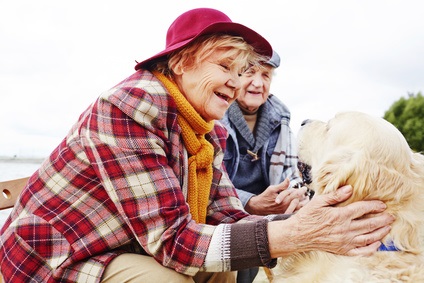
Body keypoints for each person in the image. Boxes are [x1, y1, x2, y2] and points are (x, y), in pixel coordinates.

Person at [0, 7, 394, 283]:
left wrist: (310, 226)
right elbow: (173, 243)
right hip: (56, 259)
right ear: (182, 61)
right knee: (164, 279)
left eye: (242, 72)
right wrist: (296, 235)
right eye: (225, 68)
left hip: (125, 245)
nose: (239, 84)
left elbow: (224, 218)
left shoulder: (207, 130)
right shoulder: (129, 107)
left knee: (226, 263)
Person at [221, 50, 309, 283]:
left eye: (266, 75)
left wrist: (294, 194)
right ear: (233, 75)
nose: (258, 83)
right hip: (222, 214)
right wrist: (250, 202)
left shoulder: (282, 123)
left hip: (268, 217)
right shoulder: (214, 115)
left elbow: (292, 173)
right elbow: (207, 180)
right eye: (249, 73)